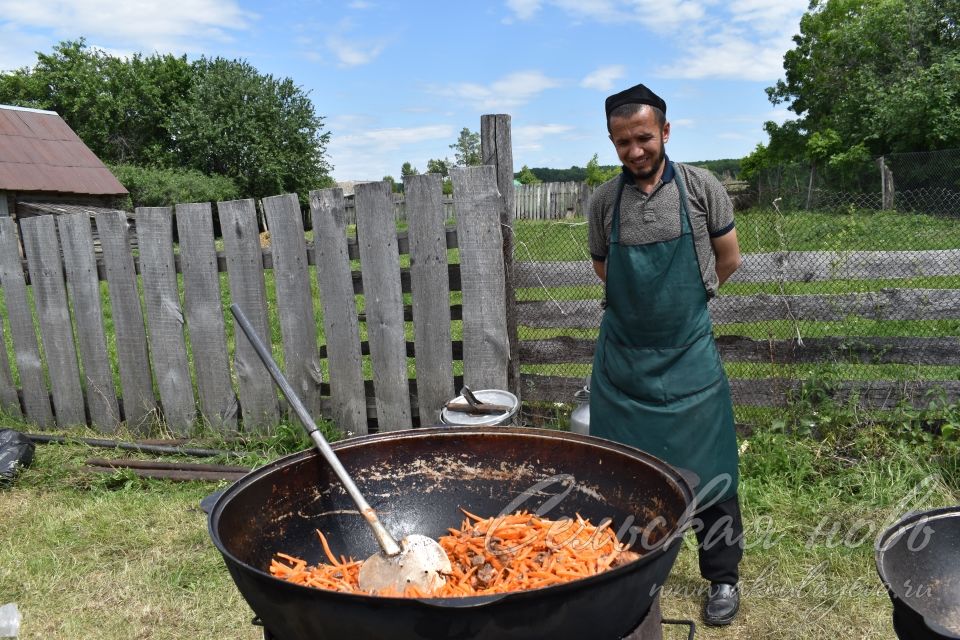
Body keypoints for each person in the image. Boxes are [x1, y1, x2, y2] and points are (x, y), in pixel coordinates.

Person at [587, 82, 744, 626]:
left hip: (690, 358)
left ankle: (723, 577)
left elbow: (729, 258)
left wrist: (691, 305)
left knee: (713, 472)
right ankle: (625, 567)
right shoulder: (604, 202)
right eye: (622, 142)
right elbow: (604, 270)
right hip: (622, 364)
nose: (635, 151)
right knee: (619, 474)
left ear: (665, 132)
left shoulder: (702, 189)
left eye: (644, 138)